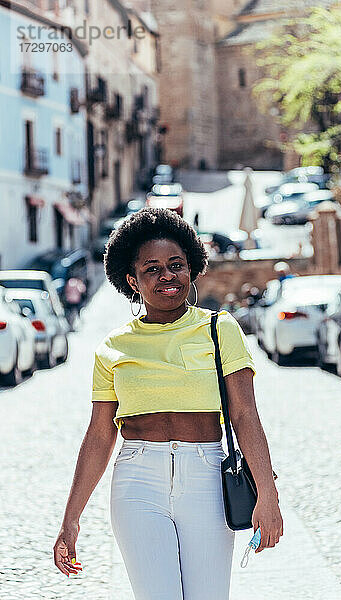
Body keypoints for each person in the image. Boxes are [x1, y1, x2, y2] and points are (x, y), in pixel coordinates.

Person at [53, 208, 283, 600]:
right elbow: (99, 434)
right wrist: (70, 520)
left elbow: (245, 415)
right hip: (137, 481)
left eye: (176, 265)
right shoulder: (113, 347)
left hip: (208, 478)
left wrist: (268, 494)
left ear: (191, 269)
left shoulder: (219, 329)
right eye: (152, 269)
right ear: (132, 279)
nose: (167, 276)